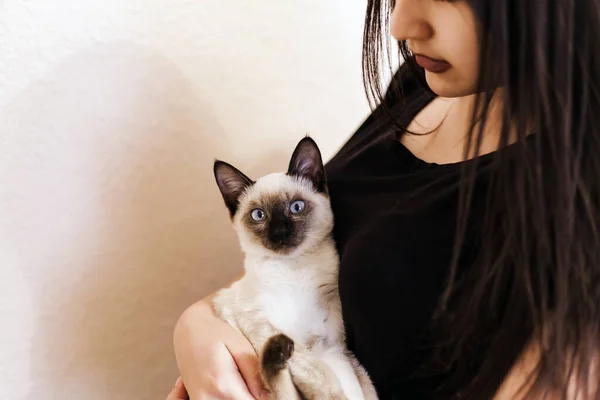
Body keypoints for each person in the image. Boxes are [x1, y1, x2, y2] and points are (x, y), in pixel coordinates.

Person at [167, 0, 600, 398]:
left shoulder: (580, 189)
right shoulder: (424, 82)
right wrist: (198, 326)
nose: (399, 25)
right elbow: (297, 269)